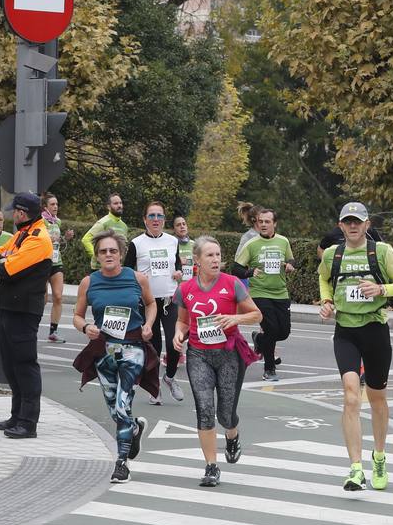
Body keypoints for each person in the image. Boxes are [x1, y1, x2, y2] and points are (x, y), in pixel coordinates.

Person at [318, 202, 393, 491]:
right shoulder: (334, 254)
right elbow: (324, 278)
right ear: (341, 225)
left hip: (375, 330)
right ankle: (355, 468)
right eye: (348, 221)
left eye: (358, 221)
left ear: (367, 224)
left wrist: (381, 289)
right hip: (345, 331)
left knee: (377, 398)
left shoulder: (381, 252)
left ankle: (379, 456)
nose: (353, 226)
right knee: (350, 396)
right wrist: (327, 301)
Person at [173, 236, 262, 487]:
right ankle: (211, 466)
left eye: (218, 255)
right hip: (198, 354)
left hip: (228, 355)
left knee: (225, 414)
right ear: (198, 260)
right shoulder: (186, 289)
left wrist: (235, 319)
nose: (216, 259)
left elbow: (256, 314)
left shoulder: (232, 284)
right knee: (204, 410)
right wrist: (178, 334)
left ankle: (232, 435)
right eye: (210, 255)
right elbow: (182, 320)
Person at [73, 231, 157, 483]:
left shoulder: (137, 278)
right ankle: (133, 428)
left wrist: (148, 325)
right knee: (113, 406)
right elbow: (77, 316)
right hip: (103, 350)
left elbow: (151, 304)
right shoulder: (89, 282)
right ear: (97, 256)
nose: (108, 255)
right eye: (103, 251)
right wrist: (85, 327)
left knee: (122, 404)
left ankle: (121, 464)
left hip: (133, 347)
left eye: (113, 251)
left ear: (121, 254)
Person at [0, 193, 54, 439]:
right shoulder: (22, 234)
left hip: (23, 310)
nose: (11, 214)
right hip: (9, 308)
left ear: (22, 213)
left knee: (25, 365)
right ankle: (17, 415)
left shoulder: (37, 239)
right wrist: (0, 258)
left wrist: (1, 260)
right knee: (11, 365)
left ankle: (28, 422)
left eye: (14, 211)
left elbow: (5, 268)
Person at [126, 201, 185, 403]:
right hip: (148, 302)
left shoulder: (172, 241)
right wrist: (135, 280)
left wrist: (178, 271)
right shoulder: (136, 243)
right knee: (154, 347)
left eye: (159, 216)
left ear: (164, 219)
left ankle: (169, 377)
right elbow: (126, 271)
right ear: (145, 220)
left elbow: (176, 262)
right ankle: (155, 388)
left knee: (174, 343)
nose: (156, 219)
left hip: (170, 299)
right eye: (151, 216)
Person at [233, 207, 296, 382]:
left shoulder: (283, 241)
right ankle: (269, 369)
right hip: (260, 292)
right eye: (260, 221)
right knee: (272, 329)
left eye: (267, 221)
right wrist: (249, 272)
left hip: (280, 292)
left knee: (283, 332)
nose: (263, 224)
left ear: (274, 223)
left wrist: (290, 265)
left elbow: (290, 259)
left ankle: (259, 339)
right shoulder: (251, 244)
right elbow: (236, 268)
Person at [41, 193, 74, 343]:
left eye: (57, 204)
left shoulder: (57, 222)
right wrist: (48, 239)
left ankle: (53, 332)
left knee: (58, 296)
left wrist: (65, 238)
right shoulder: (41, 221)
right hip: (42, 262)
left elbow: (57, 242)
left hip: (56, 262)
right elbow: (36, 239)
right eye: (52, 204)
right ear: (45, 207)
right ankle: (32, 325)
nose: (55, 207)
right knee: (42, 298)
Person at [81, 193, 126, 270]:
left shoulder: (124, 226)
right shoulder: (103, 223)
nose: (119, 206)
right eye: (115, 203)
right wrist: (97, 255)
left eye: (120, 203)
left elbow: (122, 246)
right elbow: (86, 239)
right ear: (108, 207)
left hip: (116, 268)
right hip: (99, 269)